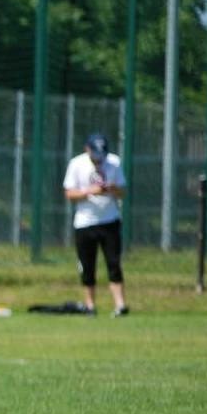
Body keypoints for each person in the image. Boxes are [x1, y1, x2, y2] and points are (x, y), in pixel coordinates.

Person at [62, 132, 129, 316]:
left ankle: (120, 305)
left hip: (110, 220)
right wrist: (89, 191)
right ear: (87, 149)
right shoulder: (77, 163)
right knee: (87, 266)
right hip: (85, 222)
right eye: (96, 155)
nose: (99, 160)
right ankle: (90, 306)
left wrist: (111, 188)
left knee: (114, 263)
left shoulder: (114, 162)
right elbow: (69, 194)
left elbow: (122, 191)